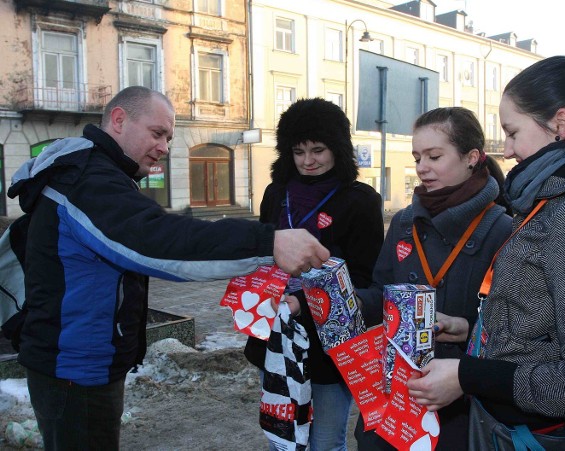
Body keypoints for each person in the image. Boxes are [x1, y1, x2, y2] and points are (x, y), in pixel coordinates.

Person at [7, 86, 330, 450]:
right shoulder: (87, 179)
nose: (164, 147)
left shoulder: (100, 174)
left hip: (85, 364)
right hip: (74, 370)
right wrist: (268, 242)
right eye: (157, 133)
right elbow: (160, 242)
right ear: (118, 120)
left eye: (169, 138)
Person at [407, 56, 565, 446]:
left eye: (512, 133)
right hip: (515, 428)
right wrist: (480, 333)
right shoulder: (555, 198)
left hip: (546, 435)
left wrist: (468, 376)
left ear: (560, 126)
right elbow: (548, 319)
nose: (508, 149)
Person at [353, 107, 512, 449]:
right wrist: (331, 301)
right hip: (395, 392)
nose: (421, 167)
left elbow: (515, 327)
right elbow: (382, 294)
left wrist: (466, 327)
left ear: (471, 157)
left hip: (461, 401)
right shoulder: (404, 222)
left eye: (434, 156)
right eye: (417, 156)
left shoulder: (503, 228)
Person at [244, 97, 384, 451]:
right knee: (283, 437)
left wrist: (301, 303)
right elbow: (263, 255)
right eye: (299, 151)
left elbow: (364, 280)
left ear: (337, 148)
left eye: (318, 150)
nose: (308, 161)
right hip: (278, 334)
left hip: (329, 341)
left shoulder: (360, 200)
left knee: (324, 442)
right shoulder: (277, 194)